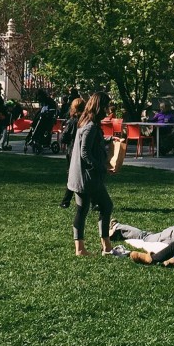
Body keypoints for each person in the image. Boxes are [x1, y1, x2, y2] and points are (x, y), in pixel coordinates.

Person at [67, 91, 115, 256]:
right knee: (106, 206)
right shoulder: (91, 126)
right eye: (107, 106)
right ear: (100, 106)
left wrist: (109, 140)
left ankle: (81, 248)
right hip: (87, 177)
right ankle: (106, 246)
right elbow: (85, 152)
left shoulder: (86, 122)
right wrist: (101, 167)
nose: (108, 110)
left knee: (82, 210)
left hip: (79, 176)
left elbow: (92, 142)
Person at [58, 97, 85, 209]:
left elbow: (64, 138)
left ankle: (66, 200)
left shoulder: (72, 121)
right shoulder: (85, 121)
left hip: (72, 150)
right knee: (84, 174)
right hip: (83, 149)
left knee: (72, 175)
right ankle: (94, 202)